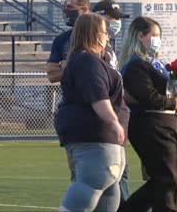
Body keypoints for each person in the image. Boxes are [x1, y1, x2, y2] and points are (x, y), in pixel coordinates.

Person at [55, 13, 129, 211]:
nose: (108, 37)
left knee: (109, 190)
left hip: (100, 136)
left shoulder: (90, 60)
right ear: (95, 34)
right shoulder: (88, 61)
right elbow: (98, 97)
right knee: (95, 179)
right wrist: (113, 121)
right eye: (105, 32)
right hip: (95, 133)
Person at [118, 16, 177, 212]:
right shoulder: (136, 64)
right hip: (151, 124)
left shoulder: (152, 62)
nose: (158, 39)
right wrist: (174, 102)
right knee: (166, 178)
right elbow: (147, 96)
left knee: (164, 178)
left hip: (162, 122)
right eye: (154, 35)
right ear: (141, 36)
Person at [92, 0, 131, 208]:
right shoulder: (94, 50)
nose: (116, 23)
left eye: (118, 19)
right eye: (112, 18)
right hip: (104, 121)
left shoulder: (109, 46)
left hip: (115, 116)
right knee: (106, 178)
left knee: (120, 175)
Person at [45, 0, 90, 83]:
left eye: (70, 7)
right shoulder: (61, 39)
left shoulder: (99, 36)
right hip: (70, 95)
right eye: (65, 7)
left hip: (96, 96)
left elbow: (101, 70)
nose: (65, 10)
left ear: (84, 9)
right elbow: (52, 75)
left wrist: (66, 66)